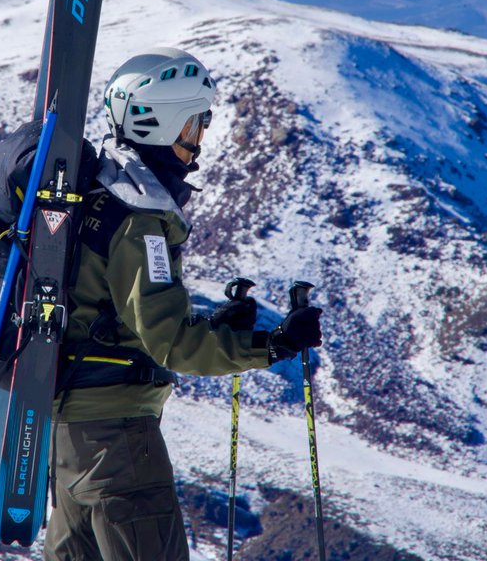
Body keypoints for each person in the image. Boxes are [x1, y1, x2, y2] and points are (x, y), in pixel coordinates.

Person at [44, 47, 324, 560]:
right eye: (196, 123)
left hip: (67, 439)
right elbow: (171, 341)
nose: (200, 137)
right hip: (117, 444)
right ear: (163, 123)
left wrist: (214, 325)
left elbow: (112, 312)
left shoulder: (98, 192)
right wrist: (274, 344)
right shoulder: (138, 215)